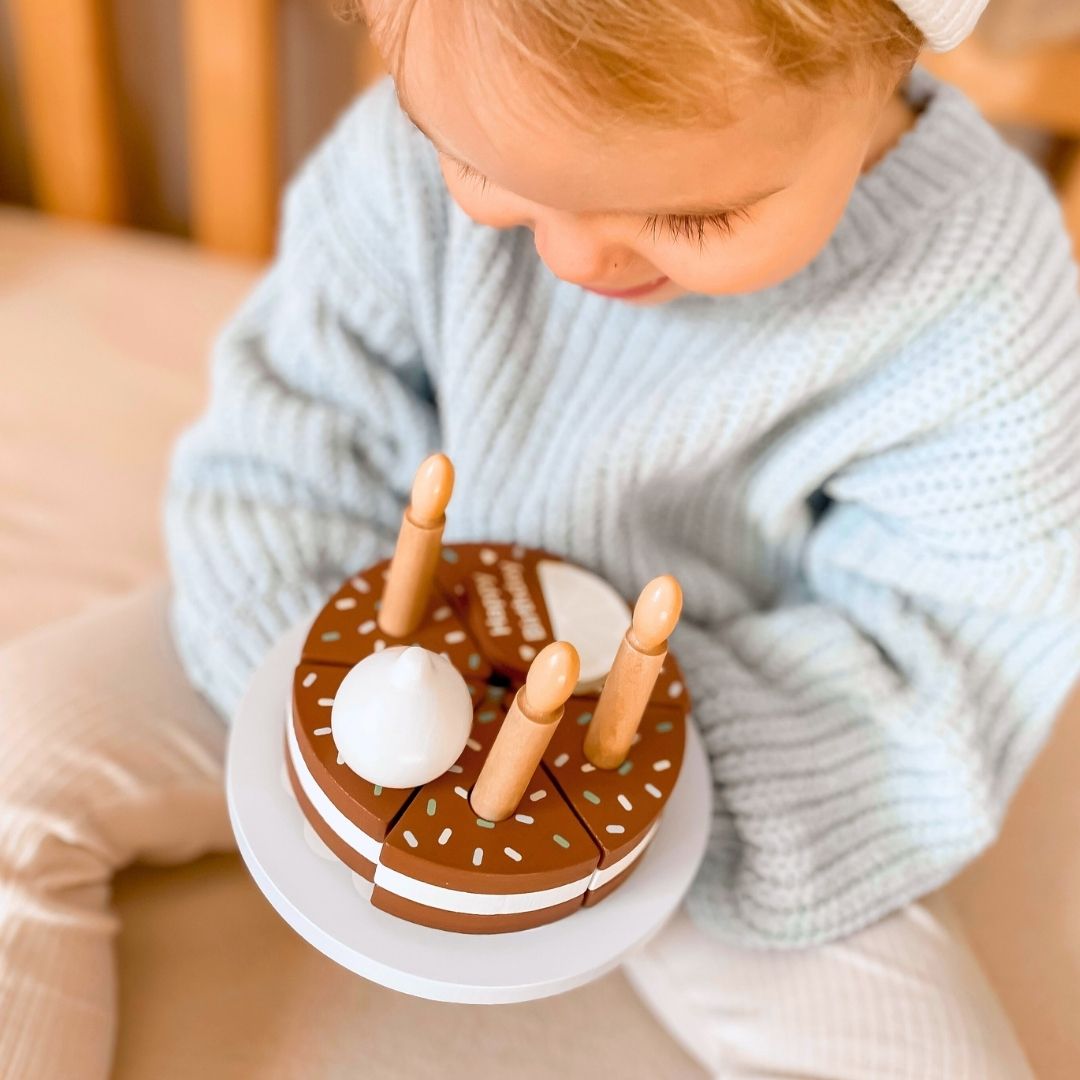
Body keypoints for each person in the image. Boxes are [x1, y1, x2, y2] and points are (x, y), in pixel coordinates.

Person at [2, 0, 1077, 1075]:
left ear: (889, 50)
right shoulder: (413, 140)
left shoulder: (981, 291)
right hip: (366, 622)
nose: (570, 258)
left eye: (693, 218)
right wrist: (352, 724)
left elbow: (946, 650)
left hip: (702, 763)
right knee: (17, 754)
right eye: (482, 172)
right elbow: (301, 423)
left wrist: (630, 792)